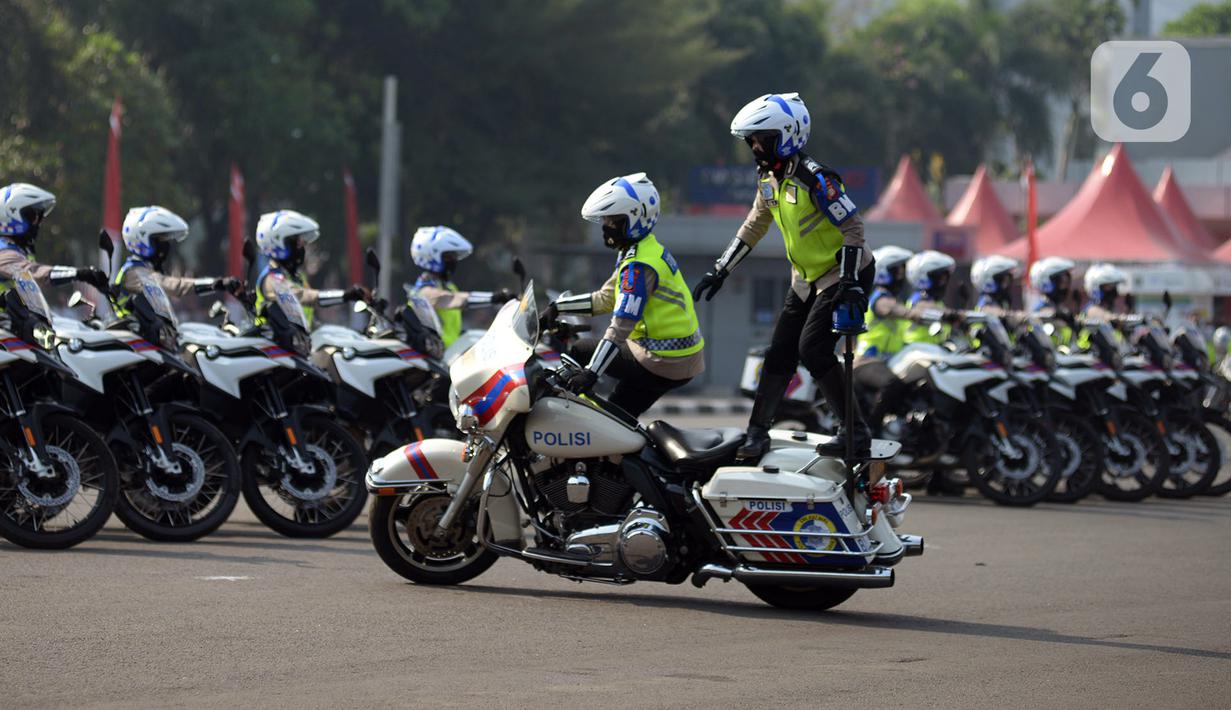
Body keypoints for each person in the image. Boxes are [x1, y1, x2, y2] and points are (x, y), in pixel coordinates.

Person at [691, 92, 874, 460]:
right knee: (778, 355)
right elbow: (754, 225)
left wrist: (851, 284)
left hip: (843, 273)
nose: (755, 146)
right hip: (804, 280)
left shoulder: (816, 179)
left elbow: (854, 229)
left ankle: (855, 431)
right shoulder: (768, 178)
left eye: (762, 139)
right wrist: (720, 270)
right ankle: (756, 433)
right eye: (752, 140)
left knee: (813, 349)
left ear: (787, 135)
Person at [539, 173, 704, 417]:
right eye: (605, 219)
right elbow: (606, 298)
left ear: (635, 220)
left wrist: (592, 373)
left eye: (613, 220)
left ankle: (562, 417)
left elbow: (621, 325)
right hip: (678, 357)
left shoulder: (638, 266)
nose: (606, 226)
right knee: (617, 417)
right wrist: (558, 307)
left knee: (581, 351)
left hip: (662, 358)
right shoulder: (644, 249)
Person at [111, 205, 240, 316]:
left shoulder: (144, 269)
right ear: (143, 240)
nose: (166, 245)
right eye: (161, 239)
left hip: (140, 337)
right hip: (128, 338)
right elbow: (172, 285)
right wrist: (215, 284)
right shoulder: (134, 272)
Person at [254, 209, 366, 327]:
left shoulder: (297, 277)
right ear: (280, 244)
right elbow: (303, 296)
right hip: (272, 342)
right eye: (298, 243)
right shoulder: (271, 279)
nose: (303, 247)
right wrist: (345, 295)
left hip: (294, 343)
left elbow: (306, 322)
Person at [408, 226, 515, 348]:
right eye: (448, 257)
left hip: (451, 356)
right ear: (432, 258)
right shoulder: (423, 291)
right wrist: (494, 297)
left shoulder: (448, 287)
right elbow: (452, 299)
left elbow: (452, 328)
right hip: (436, 359)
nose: (454, 261)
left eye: (454, 257)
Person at [0, 182, 110, 301]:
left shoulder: (17, 251)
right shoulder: (3, 252)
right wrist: (79, 273)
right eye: (32, 216)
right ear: (11, 215)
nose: (38, 222)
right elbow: (33, 272)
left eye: (40, 217)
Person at [857, 245, 914, 360]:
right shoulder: (881, 300)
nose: (901, 275)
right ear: (884, 272)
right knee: (893, 379)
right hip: (869, 359)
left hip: (890, 359)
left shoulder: (894, 299)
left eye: (903, 271)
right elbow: (905, 313)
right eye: (897, 272)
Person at [902, 250, 957, 345]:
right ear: (924, 277)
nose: (943, 282)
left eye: (945, 278)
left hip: (933, 352)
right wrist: (957, 315)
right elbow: (926, 307)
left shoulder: (937, 302)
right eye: (940, 278)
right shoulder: (918, 299)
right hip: (916, 352)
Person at [1028, 256, 1078, 346]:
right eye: (1061, 282)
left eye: (1067, 282)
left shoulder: (1058, 306)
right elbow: (1040, 315)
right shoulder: (1042, 307)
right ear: (1046, 283)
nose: (1066, 287)